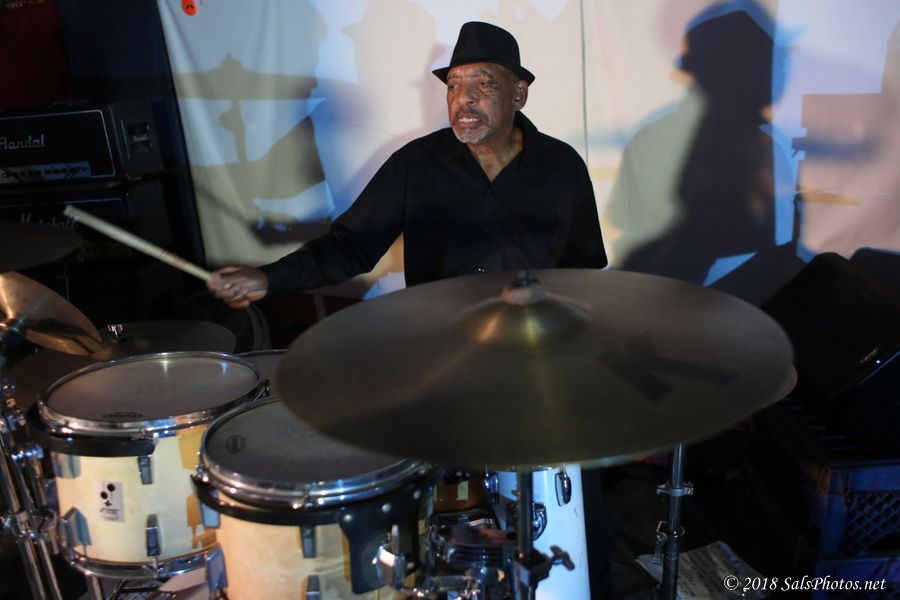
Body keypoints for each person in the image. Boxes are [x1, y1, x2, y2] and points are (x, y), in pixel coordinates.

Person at [207, 20, 607, 308]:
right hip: (439, 341)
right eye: (453, 85)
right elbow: (350, 246)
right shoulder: (416, 164)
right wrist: (268, 278)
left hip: (533, 342)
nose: (463, 98)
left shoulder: (562, 166)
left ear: (518, 95)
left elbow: (584, 270)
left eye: (483, 83)